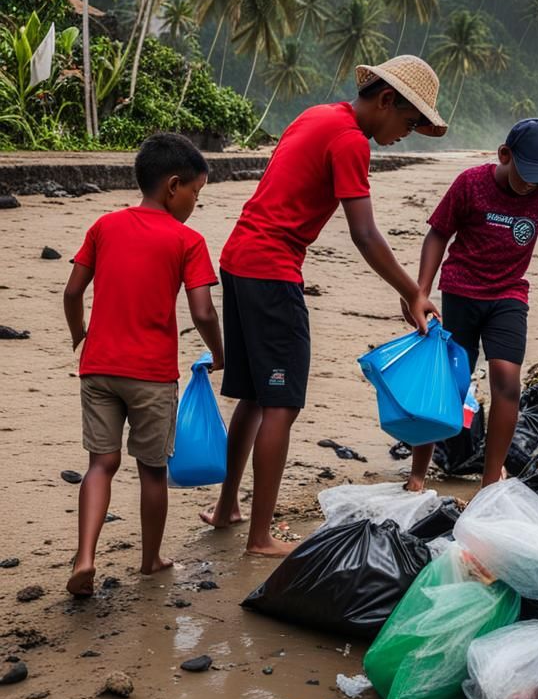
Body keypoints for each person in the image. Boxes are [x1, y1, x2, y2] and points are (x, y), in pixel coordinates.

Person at [203, 55, 445, 556]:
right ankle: (260, 537)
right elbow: (365, 234)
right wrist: (413, 292)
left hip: (238, 259)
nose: (408, 132)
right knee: (282, 402)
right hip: (271, 271)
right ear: (385, 101)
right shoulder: (351, 140)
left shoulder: (317, 115)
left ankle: (228, 507)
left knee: (253, 395)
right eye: (408, 121)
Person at [404, 118, 538, 491]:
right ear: (505, 155)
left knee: (507, 381)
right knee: (450, 381)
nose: (532, 184)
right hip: (461, 291)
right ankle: (417, 473)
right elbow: (439, 234)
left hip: (508, 295)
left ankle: (491, 481)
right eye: (528, 173)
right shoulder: (470, 183)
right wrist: (420, 292)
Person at [63, 133, 224, 596]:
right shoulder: (187, 240)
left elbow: (73, 292)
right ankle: (151, 559)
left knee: (101, 463)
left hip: (98, 366)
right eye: (196, 192)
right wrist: (219, 352)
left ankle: (85, 557)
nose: (195, 201)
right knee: (152, 470)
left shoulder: (104, 226)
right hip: (152, 375)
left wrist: (80, 334)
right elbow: (202, 312)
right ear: (174, 186)